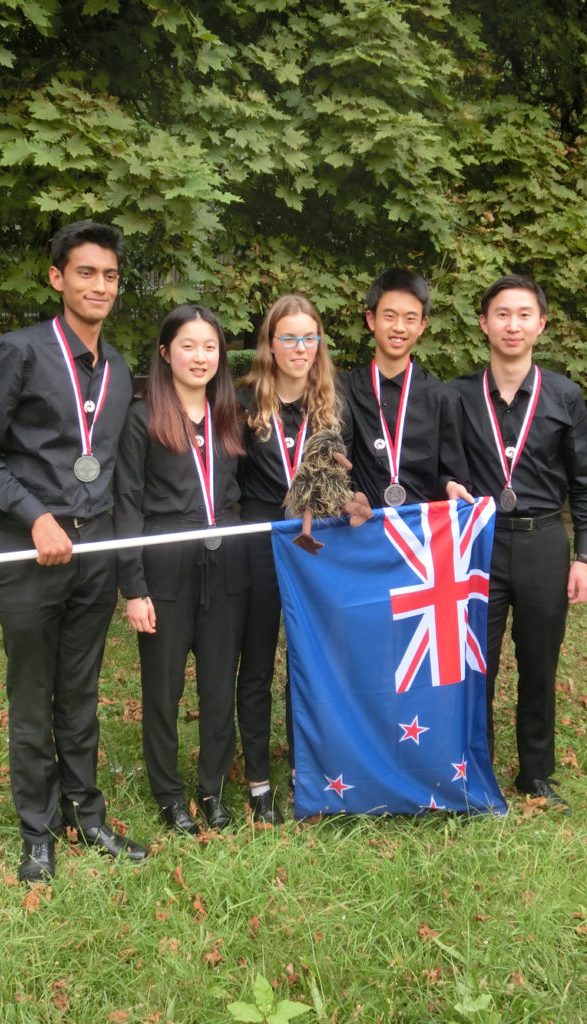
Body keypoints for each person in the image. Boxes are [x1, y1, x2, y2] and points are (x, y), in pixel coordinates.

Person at [0, 221, 147, 883]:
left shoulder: (119, 369)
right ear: (57, 278)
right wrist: (34, 517)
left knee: (81, 694)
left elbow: (112, 467)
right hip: (27, 559)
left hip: (93, 560)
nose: (99, 285)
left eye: (110, 275)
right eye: (85, 272)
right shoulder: (20, 352)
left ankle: (85, 816)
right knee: (34, 697)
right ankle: (38, 832)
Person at [450, 274, 587, 814]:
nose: (512, 325)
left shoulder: (564, 395)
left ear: (541, 323)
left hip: (543, 544)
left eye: (523, 314)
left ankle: (535, 773)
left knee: (539, 662)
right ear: (485, 323)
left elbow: (586, 481)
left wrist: (584, 554)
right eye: (501, 314)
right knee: (476, 663)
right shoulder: (458, 395)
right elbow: (442, 465)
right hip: (480, 543)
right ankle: (476, 767)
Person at [114, 305, 247, 835]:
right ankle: (169, 795)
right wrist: (134, 588)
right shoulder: (140, 418)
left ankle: (212, 789)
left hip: (227, 571)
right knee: (163, 692)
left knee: (219, 688)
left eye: (210, 346)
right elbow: (126, 504)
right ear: (166, 353)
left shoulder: (233, 416)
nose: (200, 357)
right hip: (164, 572)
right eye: (188, 346)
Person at [236, 294, 349, 823]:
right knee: (257, 664)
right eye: (289, 337)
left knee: (311, 662)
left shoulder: (330, 403)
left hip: (316, 547)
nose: (300, 348)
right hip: (261, 545)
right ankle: (259, 782)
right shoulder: (242, 403)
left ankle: (312, 770)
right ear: (270, 344)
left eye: (309, 337)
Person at [341, 267, 473, 509]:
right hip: (358, 532)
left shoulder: (442, 399)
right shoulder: (343, 390)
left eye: (410, 319)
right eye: (389, 316)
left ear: (422, 325)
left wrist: (451, 485)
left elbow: (452, 473)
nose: (399, 327)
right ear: (371, 320)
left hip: (417, 538)